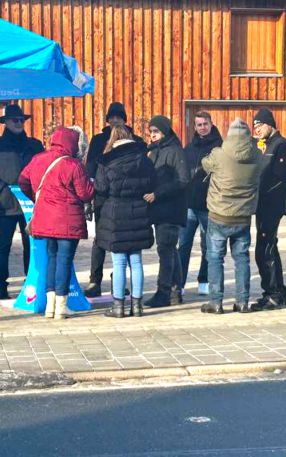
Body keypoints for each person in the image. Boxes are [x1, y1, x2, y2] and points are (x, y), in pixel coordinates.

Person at [18, 126, 95, 320]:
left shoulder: (37, 159)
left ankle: (50, 307)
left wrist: (37, 198)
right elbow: (85, 194)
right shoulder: (74, 165)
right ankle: (61, 306)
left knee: (52, 258)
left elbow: (23, 180)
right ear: (72, 144)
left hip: (44, 218)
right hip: (68, 219)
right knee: (64, 260)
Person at [200, 119, 268, 314]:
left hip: (219, 215)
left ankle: (216, 303)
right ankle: (242, 302)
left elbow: (204, 164)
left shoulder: (218, 154)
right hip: (243, 218)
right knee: (242, 259)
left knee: (215, 258)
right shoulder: (257, 156)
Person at [0, 103, 44, 299]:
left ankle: (31, 283)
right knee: (3, 246)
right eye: (15, 120)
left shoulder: (34, 145)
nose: (19, 123)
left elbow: (43, 169)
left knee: (31, 245)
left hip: (30, 203)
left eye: (22, 120)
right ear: (5, 122)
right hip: (6, 203)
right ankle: (0, 287)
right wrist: (1, 187)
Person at [95, 124, 156, 318]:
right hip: (138, 210)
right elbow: (152, 182)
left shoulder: (106, 161)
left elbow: (101, 188)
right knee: (136, 261)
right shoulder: (143, 159)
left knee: (119, 262)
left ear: (112, 139)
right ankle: (137, 306)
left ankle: (118, 307)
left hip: (115, 212)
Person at [84, 102, 142, 297]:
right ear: (107, 120)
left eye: (118, 117)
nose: (115, 120)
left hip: (127, 199)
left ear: (124, 120)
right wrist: (88, 200)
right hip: (103, 197)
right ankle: (95, 280)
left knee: (123, 240)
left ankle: (119, 280)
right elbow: (90, 168)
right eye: (112, 117)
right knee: (100, 239)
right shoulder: (98, 140)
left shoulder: (136, 141)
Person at [143, 115, 190, 308]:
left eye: (156, 131)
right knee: (170, 249)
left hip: (171, 209)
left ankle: (163, 292)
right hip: (159, 209)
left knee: (165, 249)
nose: (153, 135)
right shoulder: (154, 151)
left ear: (165, 131)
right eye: (151, 132)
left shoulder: (175, 151)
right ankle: (175, 290)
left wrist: (158, 193)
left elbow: (183, 179)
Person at [252, 107, 286, 311]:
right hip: (261, 206)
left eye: (260, 125)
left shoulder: (282, 145)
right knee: (269, 247)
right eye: (255, 127)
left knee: (265, 250)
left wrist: (262, 193)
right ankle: (278, 292)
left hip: (272, 205)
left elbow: (278, 178)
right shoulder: (265, 145)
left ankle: (273, 294)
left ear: (270, 124)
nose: (257, 130)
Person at [178, 111, 224, 296]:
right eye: (199, 125)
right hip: (189, 205)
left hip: (208, 205)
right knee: (184, 245)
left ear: (211, 124)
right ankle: (179, 283)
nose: (202, 127)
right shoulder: (189, 147)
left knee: (207, 246)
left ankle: (203, 280)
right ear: (195, 127)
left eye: (205, 124)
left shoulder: (220, 147)